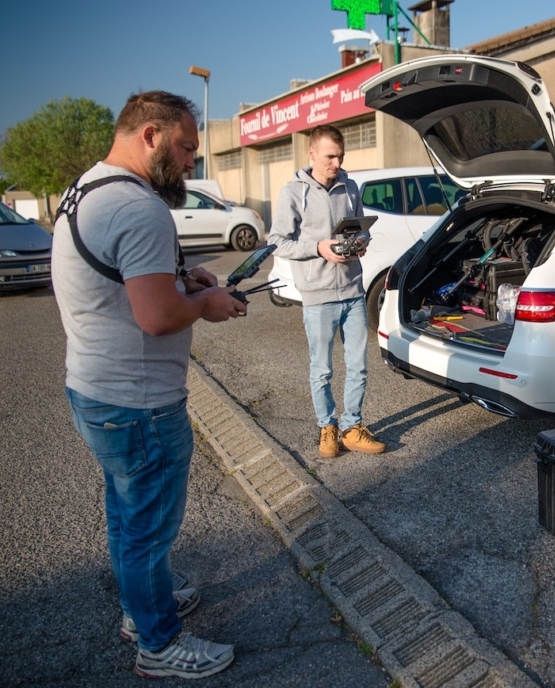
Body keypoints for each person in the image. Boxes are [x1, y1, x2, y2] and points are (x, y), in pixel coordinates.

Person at [52, 90, 242, 679]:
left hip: (93, 389)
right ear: (152, 136)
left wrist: (182, 275)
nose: (192, 162)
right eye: (186, 147)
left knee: (126, 512)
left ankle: (141, 607)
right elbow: (156, 316)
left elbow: (116, 272)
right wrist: (206, 301)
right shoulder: (140, 209)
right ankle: (158, 643)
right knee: (148, 529)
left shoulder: (86, 188)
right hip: (138, 404)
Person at [268, 125, 385, 458]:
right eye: (330, 156)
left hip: (352, 291)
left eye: (341, 155)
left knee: (359, 365)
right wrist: (318, 247)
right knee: (322, 369)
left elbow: (360, 227)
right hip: (318, 296)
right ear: (312, 154)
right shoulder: (293, 191)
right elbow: (277, 242)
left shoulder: (350, 186)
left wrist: (360, 242)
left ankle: (351, 427)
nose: (337, 162)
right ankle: (327, 428)